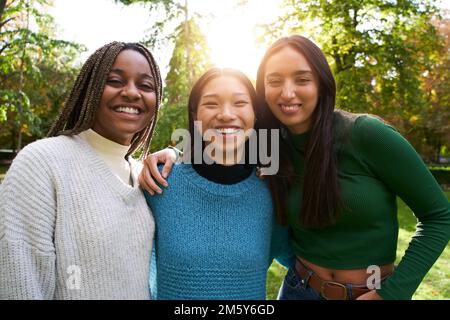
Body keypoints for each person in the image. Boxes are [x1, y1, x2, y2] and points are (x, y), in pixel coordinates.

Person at [142, 35, 450, 300]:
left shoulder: (366, 135)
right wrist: (173, 151)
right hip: (299, 290)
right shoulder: (276, 147)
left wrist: (393, 292)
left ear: (321, 84)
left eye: (302, 79)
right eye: (274, 81)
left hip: (371, 291)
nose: (287, 93)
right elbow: (220, 146)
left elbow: (440, 216)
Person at [0, 41, 163, 299]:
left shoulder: (147, 177)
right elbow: (20, 281)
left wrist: (175, 155)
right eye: (115, 80)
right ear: (90, 88)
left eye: (145, 86)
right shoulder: (42, 162)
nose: (132, 93)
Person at [143, 68, 292, 300]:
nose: (225, 114)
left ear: (255, 114)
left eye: (240, 103)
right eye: (211, 104)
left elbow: (305, 256)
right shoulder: (160, 181)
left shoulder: (272, 189)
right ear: (194, 115)